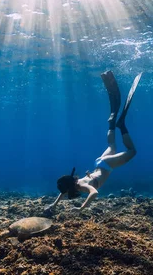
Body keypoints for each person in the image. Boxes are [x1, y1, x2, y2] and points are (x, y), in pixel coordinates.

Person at [47, 70, 142, 212]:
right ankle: (111, 124)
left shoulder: (81, 186)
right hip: (99, 162)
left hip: (106, 165)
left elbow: (94, 193)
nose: (65, 194)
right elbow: (63, 192)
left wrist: (81, 208)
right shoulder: (74, 183)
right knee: (111, 145)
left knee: (132, 151)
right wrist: (53, 205)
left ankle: (121, 125)